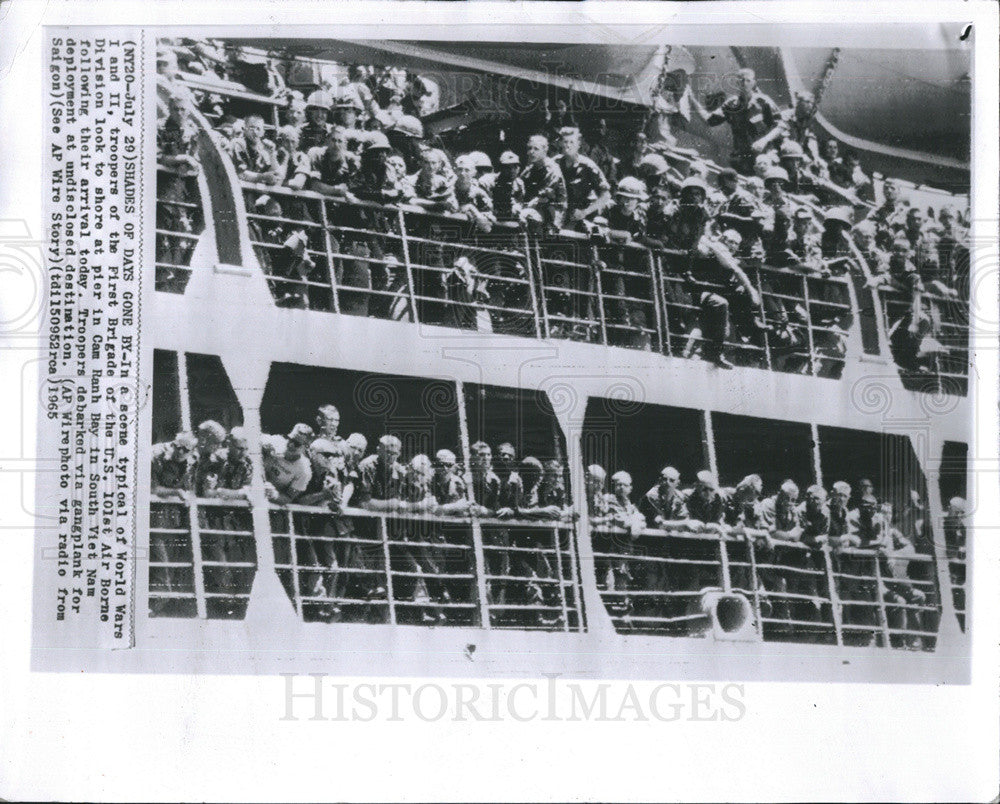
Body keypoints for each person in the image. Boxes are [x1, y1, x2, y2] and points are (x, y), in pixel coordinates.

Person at [705, 68, 780, 174]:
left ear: (754, 83)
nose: (744, 84)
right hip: (741, 159)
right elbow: (710, 121)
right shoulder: (731, 104)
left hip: (763, 157)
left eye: (748, 80)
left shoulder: (763, 102)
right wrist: (691, 99)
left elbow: (781, 125)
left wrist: (764, 140)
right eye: (741, 80)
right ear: (736, 83)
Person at [556, 126, 612, 231]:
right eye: (565, 141)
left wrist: (585, 212)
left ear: (578, 144)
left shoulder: (588, 166)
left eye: (572, 142)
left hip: (584, 217)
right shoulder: (555, 163)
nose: (568, 145)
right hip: (561, 215)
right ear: (560, 143)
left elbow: (606, 195)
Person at [519, 134, 567, 231]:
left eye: (536, 149)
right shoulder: (530, 169)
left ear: (545, 150)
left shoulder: (552, 170)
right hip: (534, 207)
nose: (531, 152)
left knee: (526, 216)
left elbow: (545, 197)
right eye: (529, 148)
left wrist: (524, 208)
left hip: (552, 210)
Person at [304, 125, 360, 200]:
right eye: (333, 140)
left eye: (340, 141)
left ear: (345, 144)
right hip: (316, 200)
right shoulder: (316, 154)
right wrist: (338, 190)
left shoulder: (350, 160)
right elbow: (315, 185)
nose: (336, 144)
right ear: (327, 141)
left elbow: (353, 188)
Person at [262, 430, 313, 504]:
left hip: (272, 500)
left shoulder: (304, 471)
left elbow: (288, 498)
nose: (290, 445)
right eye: (290, 440)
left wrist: (274, 495)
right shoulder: (275, 443)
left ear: (305, 447)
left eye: (296, 444)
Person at [230, 114, 280, 185]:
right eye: (252, 128)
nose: (255, 132)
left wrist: (272, 154)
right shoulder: (238, 144)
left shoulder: (265, 149)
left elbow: (277, 175)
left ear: (263, 132)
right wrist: (262, 177)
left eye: (258, 129)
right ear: (244, 129)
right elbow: (240, 174)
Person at [357, 434, 406, 508]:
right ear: (378, 450)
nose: (391, 457)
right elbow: (365, 502)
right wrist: (391, 504)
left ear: (399, 454)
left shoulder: (400, 471)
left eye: (394, 454)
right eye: (387, 452)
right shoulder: (367, 466)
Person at [492, 151, 525, 222]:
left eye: (515, 167)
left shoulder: (519, 184)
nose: (512, 170)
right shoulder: (489, 181)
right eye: (508, 167)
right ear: (501, 168)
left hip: (510, 219)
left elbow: (519, 202)